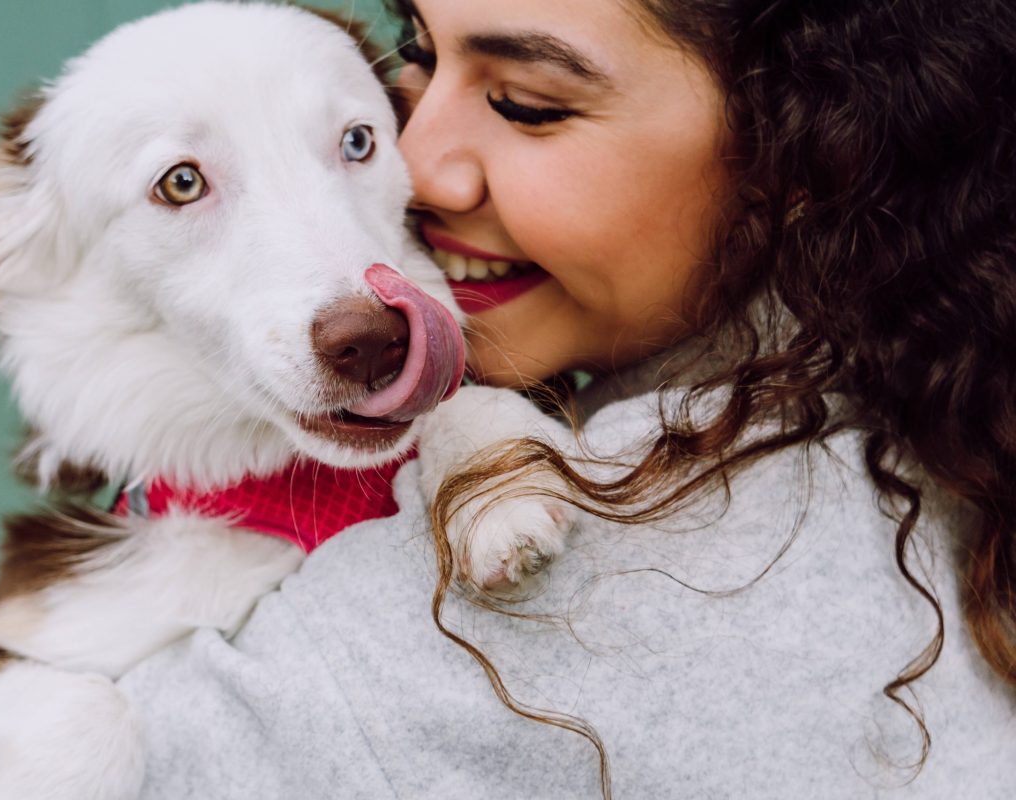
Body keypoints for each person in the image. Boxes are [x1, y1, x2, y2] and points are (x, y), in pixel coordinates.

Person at [120, 0, 1016, 796]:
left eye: (526, 104)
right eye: (417, 50)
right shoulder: (946, 392)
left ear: (809, 146)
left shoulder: (473, 627)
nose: (412, 164)